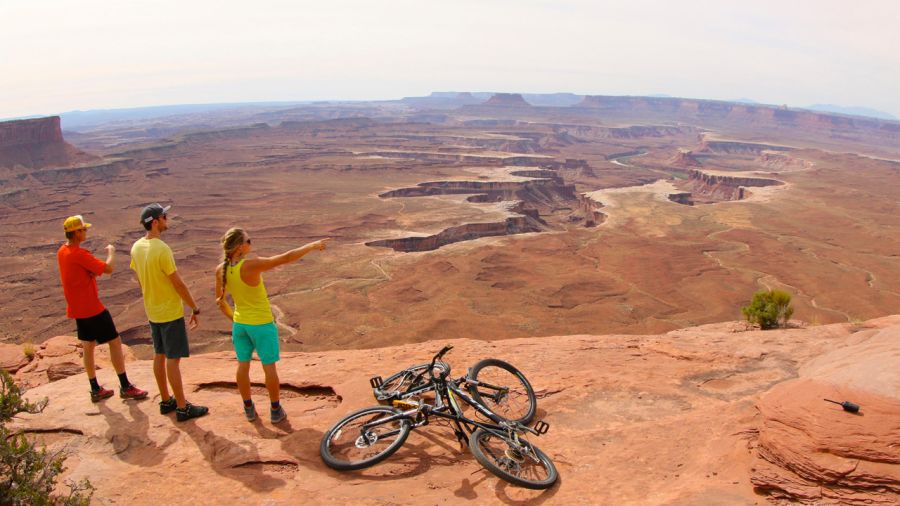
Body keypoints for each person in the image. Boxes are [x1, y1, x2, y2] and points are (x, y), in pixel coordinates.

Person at [215, 228, 328, 423]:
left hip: (240, 325)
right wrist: (311, 246)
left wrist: (234, 319)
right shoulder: (250, 265)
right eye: (248, 241)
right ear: (241, 247)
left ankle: (248, 408)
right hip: (261, 325)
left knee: (243, 365)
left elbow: (220, 300)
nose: (251, 243)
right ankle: (275, 410)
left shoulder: (221, 270)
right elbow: (285, 258)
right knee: (269, 368)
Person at [56, 215, 149, 403]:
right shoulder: (78, 254)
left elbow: (77, 273)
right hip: (92, 308)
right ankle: (125, 386)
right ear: (76, 232)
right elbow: (108, 268)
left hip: (77, 309)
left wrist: (88, 273)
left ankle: (95, 389)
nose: (86, 232)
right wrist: (111, 252)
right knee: (115, 342)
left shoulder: (62, 251)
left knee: (88, 347)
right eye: (83, 230)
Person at [129, 203, 208, 422]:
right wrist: (194, 307)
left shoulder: (136, 247)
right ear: (155, 222)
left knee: (159, 354)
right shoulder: (161, 249)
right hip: (170, 312)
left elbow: (139, 277)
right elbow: (178, 283)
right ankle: (182, 408)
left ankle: (166, 401)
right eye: (164, 216)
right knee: (173, 360)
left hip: (152, 310)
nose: (167, 219)